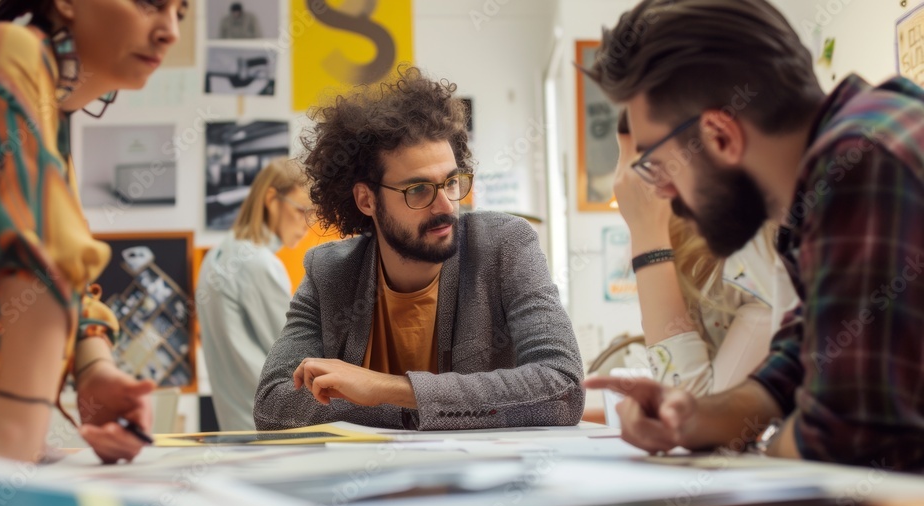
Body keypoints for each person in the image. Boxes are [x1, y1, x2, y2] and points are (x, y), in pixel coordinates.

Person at [584, 0, 924, 471]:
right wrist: (693, 416)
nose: (660, 191)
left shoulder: (861, 163)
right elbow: (794, 361)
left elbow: (849, 439)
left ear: (720, 136)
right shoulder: (864, 139)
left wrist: (762, 446)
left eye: (657, 165)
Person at [0, 0, 186, 463]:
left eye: (180, 13)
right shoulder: (5, 51)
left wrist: (96, 374)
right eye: (150, 3)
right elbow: (37, 251)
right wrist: (16, 428)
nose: (170, 32)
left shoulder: (51, 121)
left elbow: (65, 278)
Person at [254, 66, 584, 430]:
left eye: (452, 182)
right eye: (418, 190)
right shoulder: (329, 273)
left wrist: (387, 389)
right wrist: (419, 410)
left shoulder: (504, 246)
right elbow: (272, 405)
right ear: (367, 199)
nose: (446, 206)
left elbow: (562, 388)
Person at [610, 110, 797, 396]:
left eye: (642, 158)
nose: (622, 183)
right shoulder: (697, 253)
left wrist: (648, 237)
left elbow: (695, 416)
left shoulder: (753, 256)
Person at [196, 158, 313, 431]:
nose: (307, 225)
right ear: (272, 199)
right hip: (273, 431)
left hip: (235, 427)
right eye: (301, 211)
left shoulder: (217, 255)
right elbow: (297, 359)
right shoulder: (260, 264)